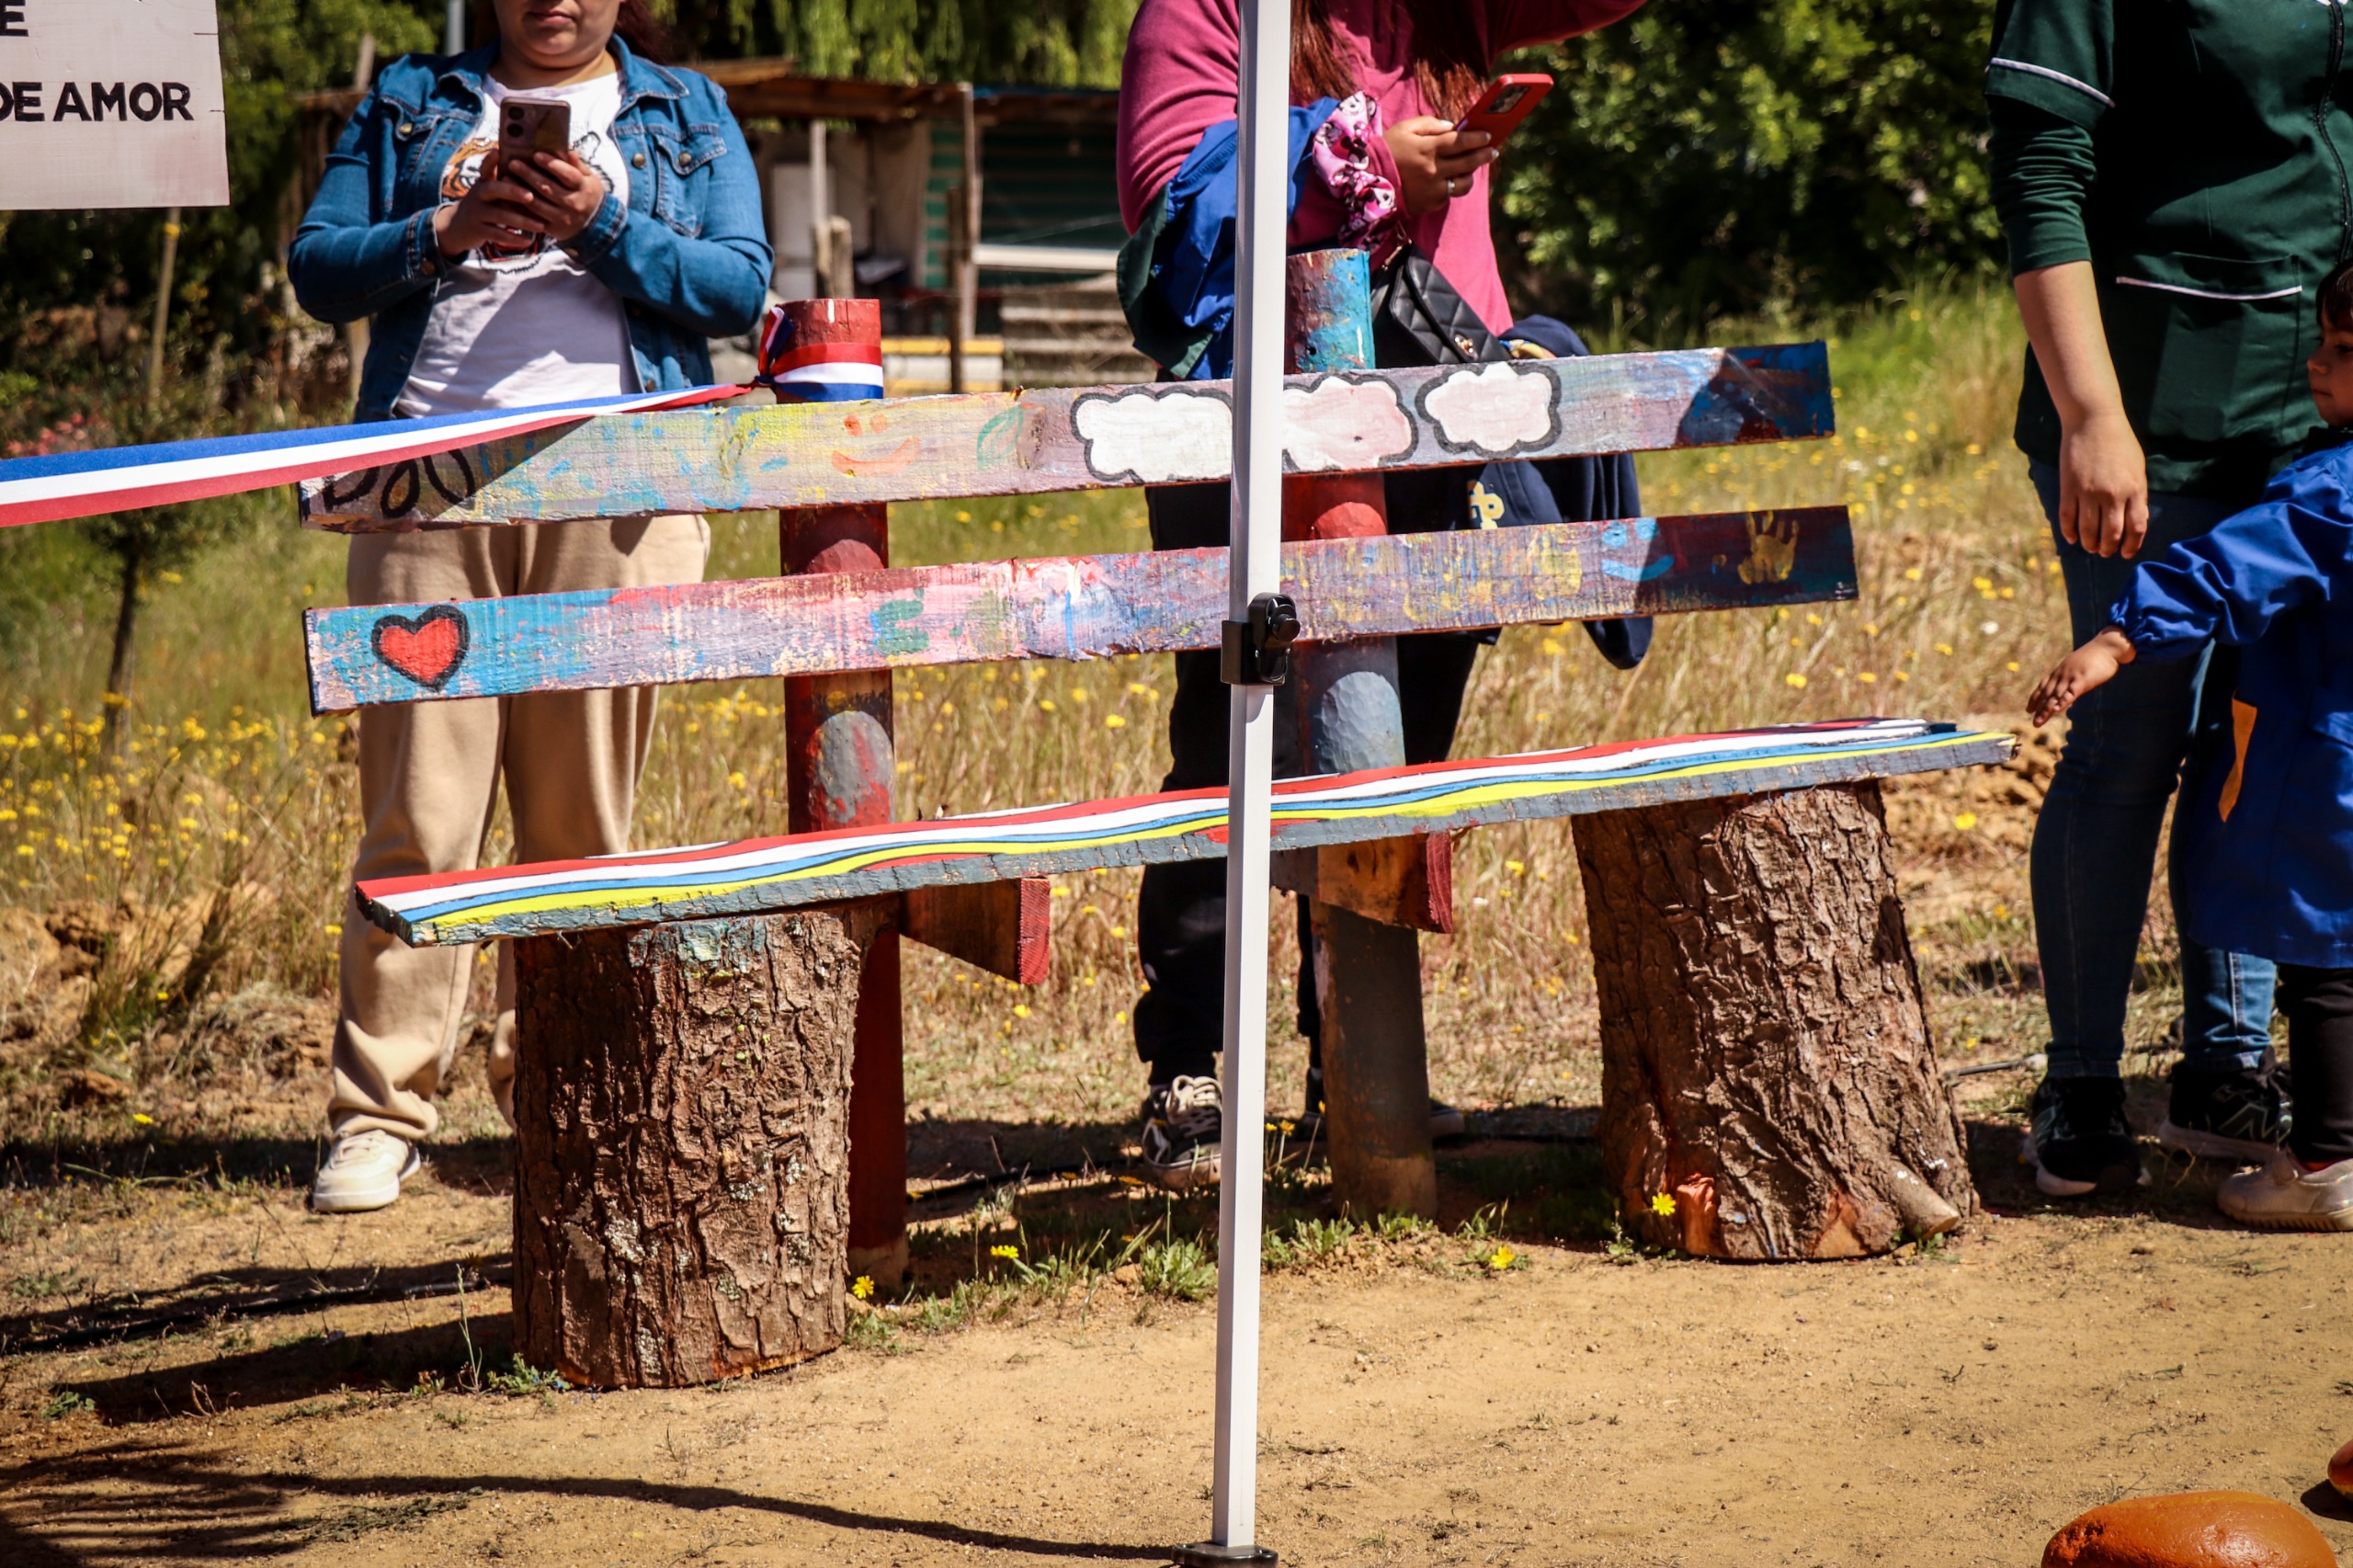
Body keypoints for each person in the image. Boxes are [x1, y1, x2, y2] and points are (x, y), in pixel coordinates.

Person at [1115, 0, 1647, 1188]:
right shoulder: (1204, 10)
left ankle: (1348, 1068)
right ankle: (1191, 1069)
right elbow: (1171, 211)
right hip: (1245, 431)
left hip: (1439, 430)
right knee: (1229, 747)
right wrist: (1346, 160)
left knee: (1397, 755)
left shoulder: (1448, 5)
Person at [288, 0, 770, 1212]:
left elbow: (738, 288)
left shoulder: (688, 109)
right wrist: (443, 232)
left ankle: (568, 1091)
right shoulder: (407, 99)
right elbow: (317, 269)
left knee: (585, 816)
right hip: (423, 483)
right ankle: (383, 1108)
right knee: (420, 811)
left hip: (619, 483)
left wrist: (601, 226)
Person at [1985, 0, 2353, 1197]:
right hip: (2146, 397)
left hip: (2318, 407)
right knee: (2133, 728)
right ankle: (2084, 1081)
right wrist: (2092, 415)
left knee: (2269, 732)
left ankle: (2228, 1072)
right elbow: (2040, 164)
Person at [2027, 260, 2353, 1230]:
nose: (2313, 365)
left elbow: (2221, 569)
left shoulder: (2329, 496)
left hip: (2327, 769)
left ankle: (2327, 1158)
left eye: (2341, 351)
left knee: (2326, 963)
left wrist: (2112, 640)